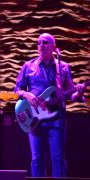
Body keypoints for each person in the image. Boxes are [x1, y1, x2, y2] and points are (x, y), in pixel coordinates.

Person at [14, 33, 86, 177]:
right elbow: (17, 90)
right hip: (34, 118)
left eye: (45, 42)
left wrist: (78, 93)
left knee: (58, 159)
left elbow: (70, 94)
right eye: (39, 42)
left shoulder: (63, 67)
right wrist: (27, 94)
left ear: (54, 46)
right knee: (37, 159)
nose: (41, 45)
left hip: (56, 118)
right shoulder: (28, 66)